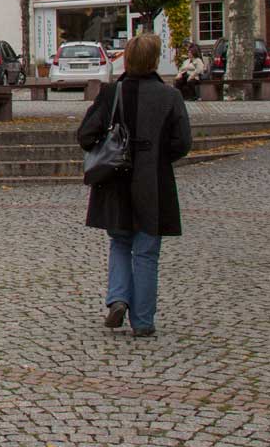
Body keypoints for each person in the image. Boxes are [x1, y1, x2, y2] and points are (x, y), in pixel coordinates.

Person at [76, 33, 192, 339]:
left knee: (120, 241)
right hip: (152, 180)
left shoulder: (112, 92)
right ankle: (142, 320)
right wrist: (156, 154)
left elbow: (86, 135)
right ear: (154, 60)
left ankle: (118, 298)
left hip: (116, 179)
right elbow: (182, 143)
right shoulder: (170, 97)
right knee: (146, 251)